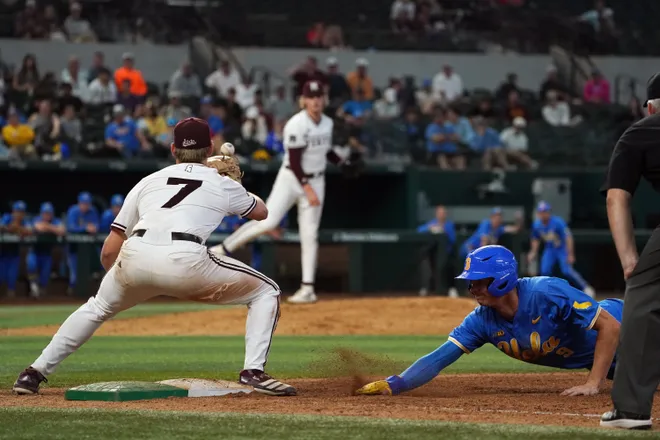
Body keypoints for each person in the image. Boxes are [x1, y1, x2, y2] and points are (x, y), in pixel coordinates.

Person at [12, 118, 296, 397]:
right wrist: (234, 182)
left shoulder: (148, 181)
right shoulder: (220, 182)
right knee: (266, 291)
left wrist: (122, 280)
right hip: (187, 260)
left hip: (135, 255)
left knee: (96, 308)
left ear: (173, 149)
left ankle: (33, 373)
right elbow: (261, 213)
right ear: (210, 148)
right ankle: (253, 371)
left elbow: (110, 249)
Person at [356, 245, 623, 398]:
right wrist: (396, 384)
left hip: (634, 328)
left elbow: (610, 326)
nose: (472, 288)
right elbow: (439, 357)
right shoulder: (482, 321)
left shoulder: (546, 292)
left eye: (479, 281)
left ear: (502, 279)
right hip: (609, 361)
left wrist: (592, 384)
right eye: (470, 282)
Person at [211, 80, 344, 305]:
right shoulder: (296, 124)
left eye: (319, 96)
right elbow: (295, 159)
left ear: (324, 99)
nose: (315, 101)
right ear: (304, 100)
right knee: (268, 221)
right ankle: (223, 248)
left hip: (317, 179)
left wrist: (343, 162)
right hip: (292, 178)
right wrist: (308, 189)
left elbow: (325, 151)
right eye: (311, 97)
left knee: (310, 234)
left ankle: (308, 288)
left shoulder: (328, 123)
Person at [598, 72, 660, 430]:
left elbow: (616, 197)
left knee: (643, 300)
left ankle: (631, 410)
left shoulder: (642, 130)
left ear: (650, 107)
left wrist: (628, 260)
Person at [527, 201, 595, 298]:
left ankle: (586, 287)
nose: (543, 214)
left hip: (561, 248)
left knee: (567, 270)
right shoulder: (537, 224)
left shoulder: (557, 222)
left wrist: (570, 254)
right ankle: (546, 292)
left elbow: (568, 237)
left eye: (545, 212)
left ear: (549, 212)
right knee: (544, 271)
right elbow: (535, 239)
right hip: (550, 249)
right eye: (541, 212)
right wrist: (533, 252)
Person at [417, 206, 458, 298]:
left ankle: (451, 288)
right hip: (433, 254)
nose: (441, 215)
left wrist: (443, 230)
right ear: (436, 214)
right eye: (439, 213)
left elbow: (453, 239)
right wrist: (430, 228)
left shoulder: (449, 225)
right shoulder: (432, 223)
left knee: (448, 264)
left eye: (443, 213)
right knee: (425, 261)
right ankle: (426, 288)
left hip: (447, 253)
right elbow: (419, 230)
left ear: (445, 215)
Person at [27, 202, 65, 298]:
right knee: (31, 265)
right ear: (41, 213)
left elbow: (62, 230)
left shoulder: (55, 221)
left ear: (52, 214)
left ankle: (41, 293)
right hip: (35, 251)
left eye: (49, 213)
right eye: (45, 213)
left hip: (47, 253)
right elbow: (37, 227)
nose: (46, 215)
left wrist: (48, 227)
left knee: (45, 276)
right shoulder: (36, 219)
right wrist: (52, 229)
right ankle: (33, 285)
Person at [65, 192, 100, 295]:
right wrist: (85, 228)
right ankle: (70, 296)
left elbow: (96, 225)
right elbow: (70, 227)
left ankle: (84, 295)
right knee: (75, 276)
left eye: (87, 203)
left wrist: (93, 228)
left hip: (88, 248)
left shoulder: (93, 211)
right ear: (79, 203)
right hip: (73, 248)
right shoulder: (73, 211)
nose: (85, 206)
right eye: (83, 203)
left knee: (89, 273)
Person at [0, 201, 32, 298]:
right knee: (1, 275)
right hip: (2, 253)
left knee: (12, 276)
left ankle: (11, 294)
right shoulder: (6, 217)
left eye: (21, 212)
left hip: (14, 253)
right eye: (17, 211)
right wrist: (10, 228)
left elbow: (29, 230)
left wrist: (17, 228)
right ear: (13, 211)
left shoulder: (25, 221)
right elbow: (1, 227)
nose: (19, 214)